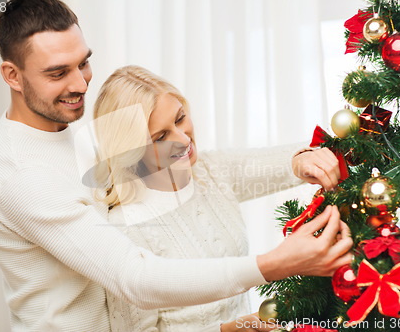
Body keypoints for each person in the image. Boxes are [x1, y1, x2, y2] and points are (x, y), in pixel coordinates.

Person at [0, 0, 352, 331]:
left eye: (84, 63)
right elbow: (135, 278)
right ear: (12, 76)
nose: (82, 84)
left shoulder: (70, 127)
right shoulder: (20, 176)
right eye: (58, 73)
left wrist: (303, 158)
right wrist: (272, 265)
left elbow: (208, 170)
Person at [91, 65, 351, 332]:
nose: (183, 139)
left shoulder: (208, 170)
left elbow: (281, 164)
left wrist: (304, 160)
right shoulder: (126, 227)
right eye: (161, 137)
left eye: (180, 118)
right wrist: (234, 328)